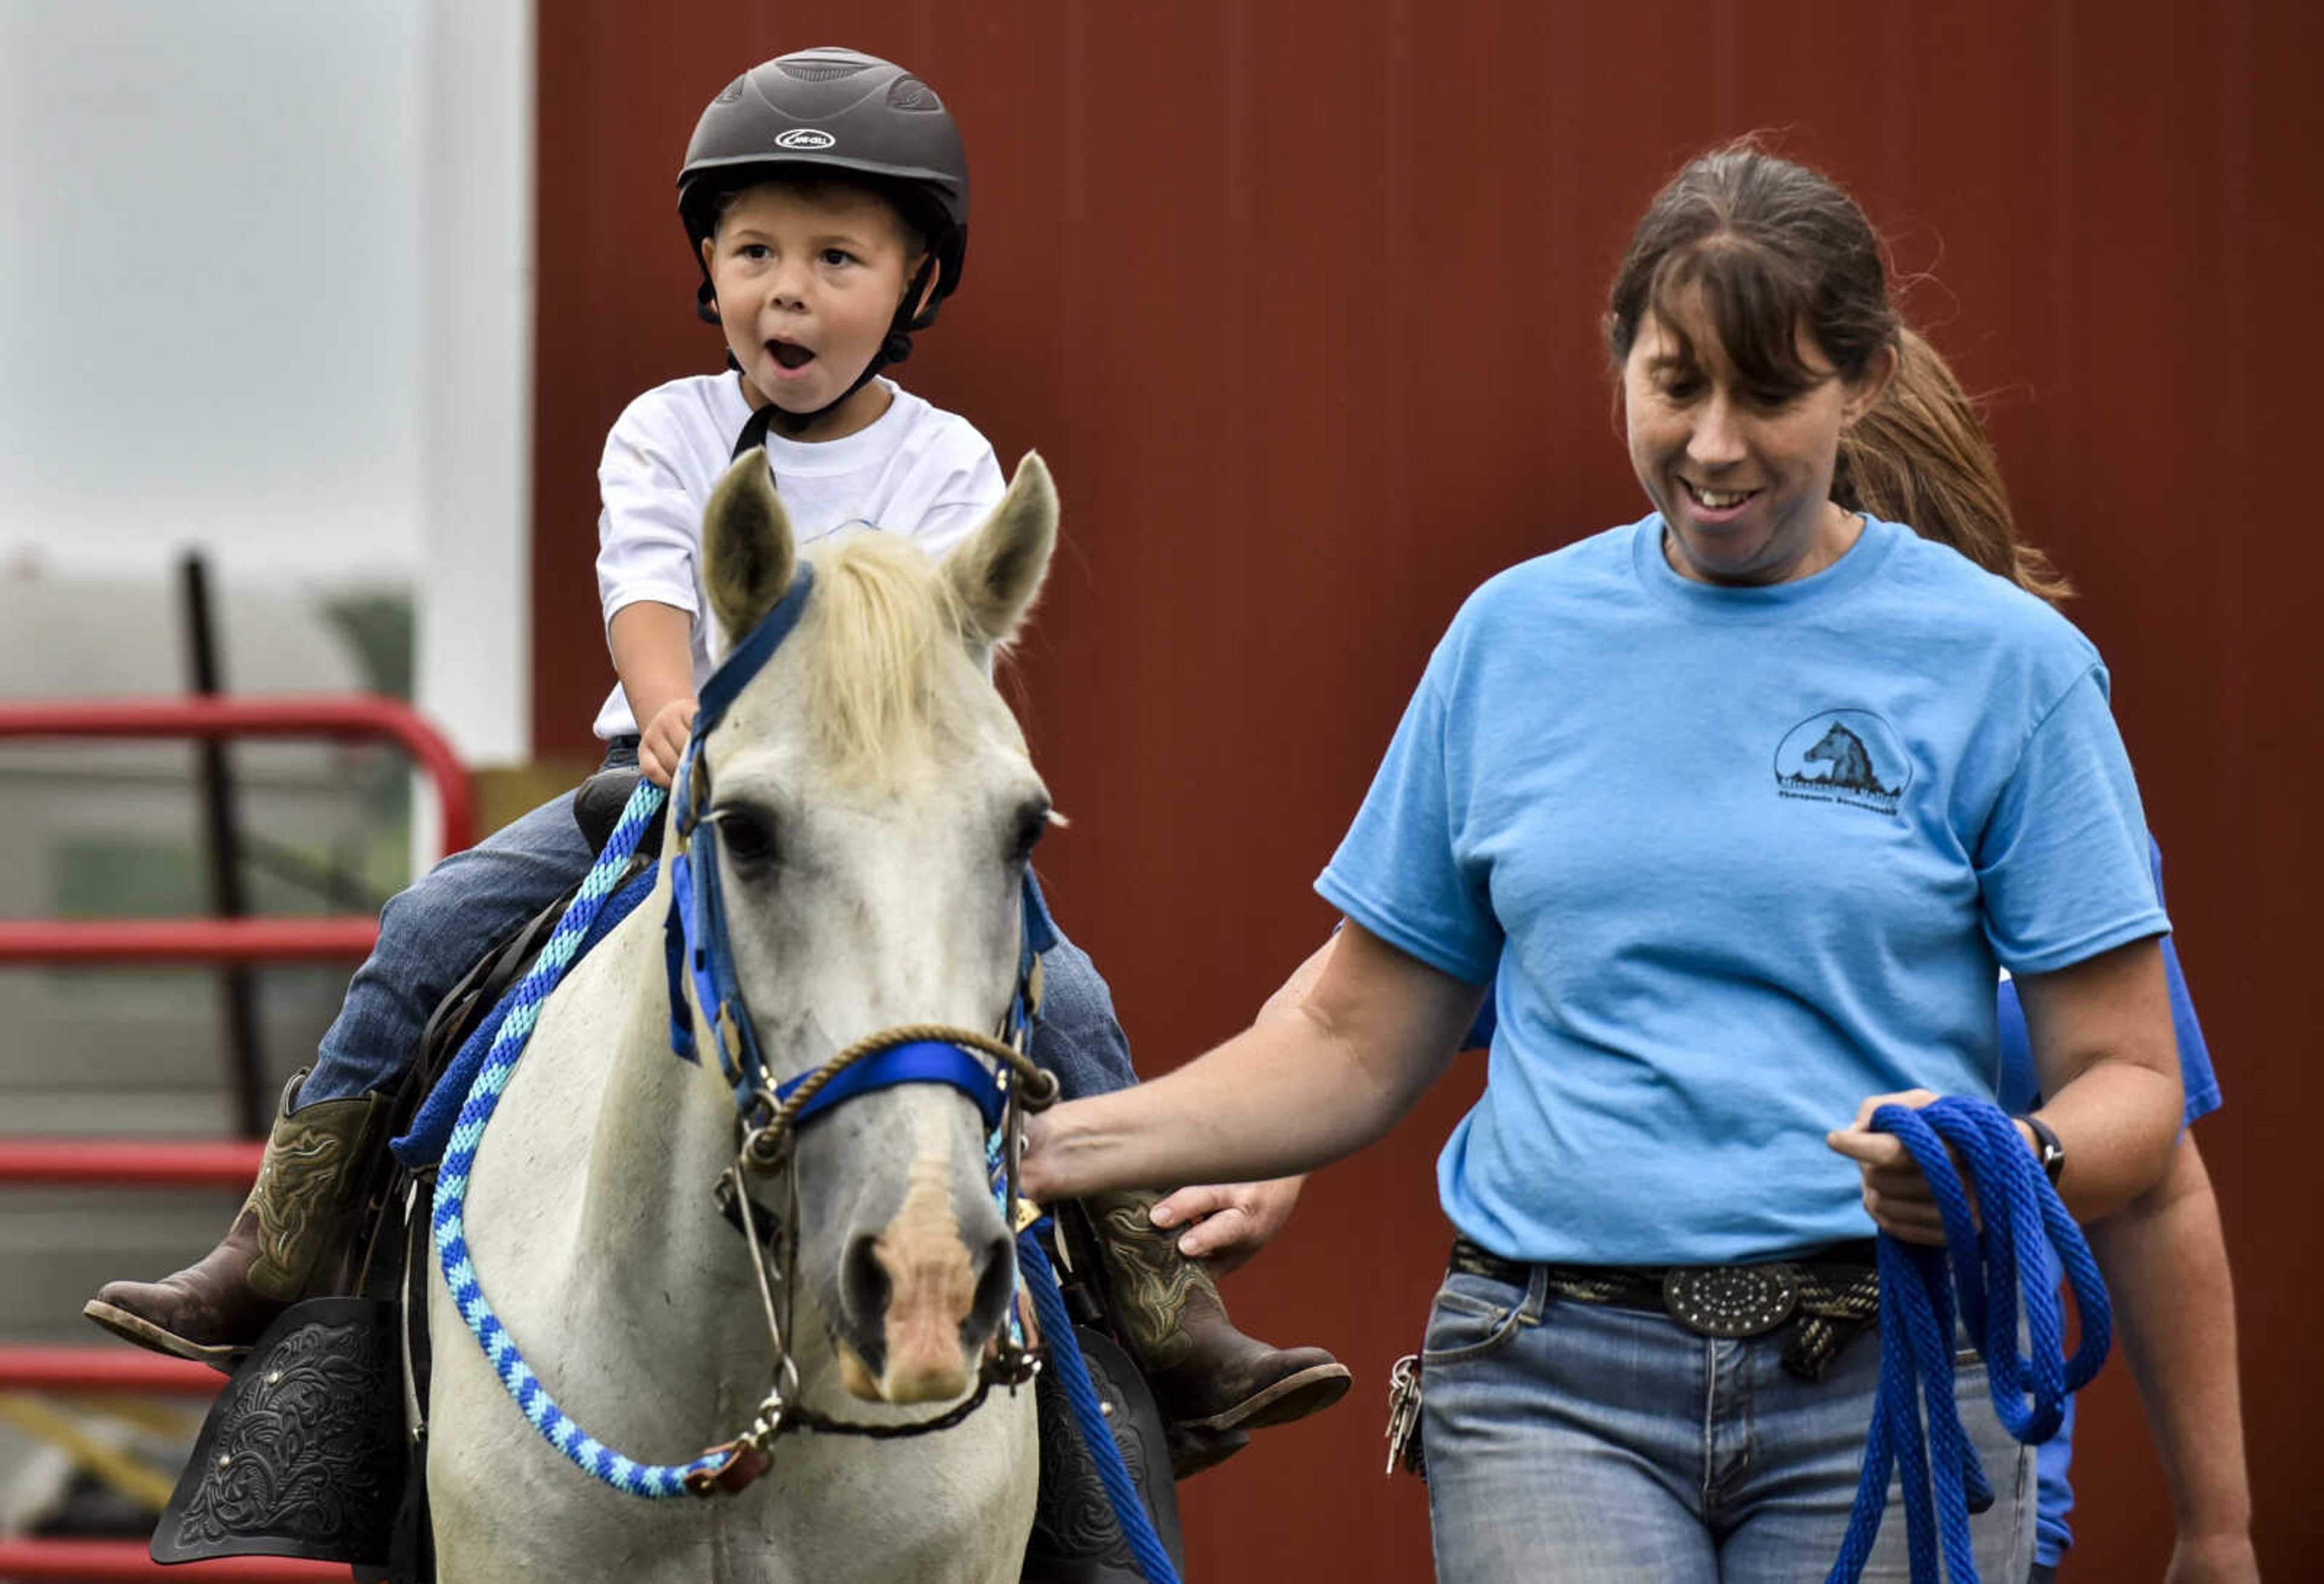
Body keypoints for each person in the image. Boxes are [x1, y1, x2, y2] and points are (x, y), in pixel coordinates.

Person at [84, 45, 1345, 1473]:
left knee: (1070, 1001)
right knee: (428, 924)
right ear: (710, 265)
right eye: (752, 250)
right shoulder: (668, 430)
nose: (785, 289)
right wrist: (674, 707)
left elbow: (934, 662)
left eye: (834, 256)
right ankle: (284, 1246)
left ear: (917, 286)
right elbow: (644, 589)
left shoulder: (947, 466)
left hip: (873, 821)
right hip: (667, 793)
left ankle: (1162, 1307)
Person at [1023, 142, 2187, 1581]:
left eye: (1771, 394)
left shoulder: (2014, 669)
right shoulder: (1511, 641)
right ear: (1618, 359)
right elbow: (1348, 1032)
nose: (1712, 444)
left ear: (1867, 381)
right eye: (1674, 384)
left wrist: (2015, 1161)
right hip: (1544, 1376)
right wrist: (1053, 1150)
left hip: (1886, 1373)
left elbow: (2133, 1079)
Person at [1834, 337, 2259, 1583]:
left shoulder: (2042, 779)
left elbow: (2157, 1174)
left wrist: (2218, 1528)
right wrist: (1276, 1165)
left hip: (1960, 1482)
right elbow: (1405, 992)